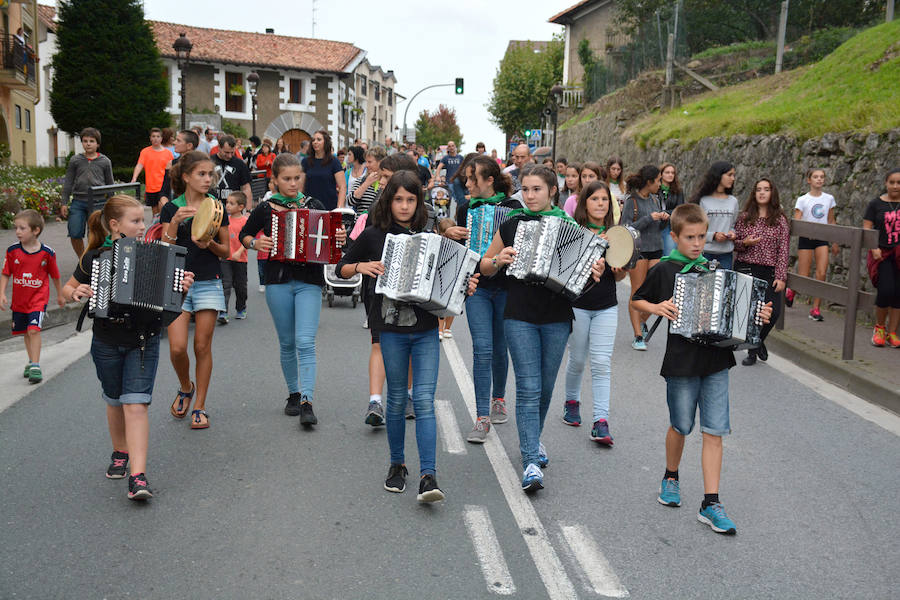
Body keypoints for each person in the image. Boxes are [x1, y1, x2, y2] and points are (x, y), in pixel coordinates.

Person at [631, 203, 772, 535]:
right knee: (681, 425)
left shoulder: (714, 268)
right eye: (690, 237)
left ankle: (711, 502)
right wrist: (656, 306)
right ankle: (671, 475)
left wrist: (758, 315)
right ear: (675, 237)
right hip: (681, 362)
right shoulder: (665, 270)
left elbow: (737, 313)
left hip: (716, 361)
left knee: (715, 430)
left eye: (701, 236)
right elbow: (637, 301)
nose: (697, 243)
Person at [336, 171, 475, 502]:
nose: (404, 205)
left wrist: (464, 286)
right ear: (389, 201)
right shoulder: (372, 235)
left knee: (424, 401)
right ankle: (397, 464)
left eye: (410, 200)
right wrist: (361, 267)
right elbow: (342, 266)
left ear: (419, 202)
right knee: (397, 399)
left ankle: (429, 475)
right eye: (398, 199)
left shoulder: (431, 236)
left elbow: (449, 280)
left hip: (426, 328)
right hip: (390, 329)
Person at [479, 164, 604, 492]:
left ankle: (533, 440)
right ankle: (531, 459)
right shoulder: (511, 225)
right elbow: (484, 266)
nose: (530, 195)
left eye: (537, 189)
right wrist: (498, 260)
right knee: (529, 386)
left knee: (547, 387)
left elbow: (582, 282)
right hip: (518, 314)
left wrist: (595, 270)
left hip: (557, 317)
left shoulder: (570, 228)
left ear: (552, 192)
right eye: (526, 189)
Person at [61, 195, 195, 501]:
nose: (142, 226)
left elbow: (168, 306)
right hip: (106, 340)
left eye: (143, 220)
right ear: (114, 224)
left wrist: (180, 285)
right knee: (114, 399)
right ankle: (120, 450)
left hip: (143, 340)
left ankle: (138, 475)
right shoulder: (95, 257)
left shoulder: (160, 255)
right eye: (135, 221)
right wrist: (75, 291)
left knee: (135, 404)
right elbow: (68, 288)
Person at [240, 153, 345, 425]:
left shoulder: (314, 205)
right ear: (274, 180)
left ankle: (308, 401)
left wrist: (339, 237)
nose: (293, 183)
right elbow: (245, 234)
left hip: (309, 281)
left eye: (297, 178)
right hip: (277, 281)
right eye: (286, 179)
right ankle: (293, 393)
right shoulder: (266, 208)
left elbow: (331, 243)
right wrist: (255, 244)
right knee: (287, 343)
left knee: (305, 342)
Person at [450, 155, 521, 443]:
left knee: (499, 346)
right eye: (466, 179)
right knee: (482, 347)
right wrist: (449, 232)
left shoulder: (513, 208)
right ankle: (481, 417)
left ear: (489, 180)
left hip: (507, 286)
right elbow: (460, 250)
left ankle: (499, 397)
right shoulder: (466, 208)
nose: (467, 184)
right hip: (477, 285)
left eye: (472, 178)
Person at [161, 151, 231, 430]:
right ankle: (185, 386)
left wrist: (208, 244)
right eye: (201, 174)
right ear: (187, 177)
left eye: (210, 174)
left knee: (202, 345)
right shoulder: (171, 208)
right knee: (178, 348)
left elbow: (225, 251)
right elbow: (164, 248)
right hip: (176, 280)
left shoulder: (216, 207)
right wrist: (176, 222)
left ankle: (199, 406)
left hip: (208, 281)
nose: (208, 178)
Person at [563, 181, 626, 441]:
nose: (600, 204)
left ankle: (601, 420)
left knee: (601, 363)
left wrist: (620, 267)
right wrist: (592, 247)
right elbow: (567, 269)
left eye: (604, 200)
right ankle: (571, 402)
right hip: (577, 305)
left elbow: (620, 276)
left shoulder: (617, 234)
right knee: (577, 359)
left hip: (606, 306)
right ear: (584, 203)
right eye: (595, 199)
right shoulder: (575, 231)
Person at [0, 210, 63, 384]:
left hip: (38, 299)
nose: (17, 232)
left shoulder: (47, 253)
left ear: (35, 230)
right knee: (26, 333)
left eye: (22, 228)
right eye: (16, 228)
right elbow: (6, 273)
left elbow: (55, 275)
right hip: (20, 301)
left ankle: (35, 364)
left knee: (33, 330)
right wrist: (1, 293)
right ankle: (31, 359)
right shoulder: (12, 251)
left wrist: (59, 295)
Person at [733, 178, 790, 365]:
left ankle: (758, 342)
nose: (762, 193)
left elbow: (784, 250)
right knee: (753, 312)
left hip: (770, 271)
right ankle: (751, 351)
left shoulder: (780, 220)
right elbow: (736, 244)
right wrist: (745, 243)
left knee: (773, 313)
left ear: (772, 193)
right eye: (759, 189)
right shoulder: (744, 217)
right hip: (747, 267)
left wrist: (781, 276)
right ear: (754, 193)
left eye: (766, 189)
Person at [620, 165, 667, 351]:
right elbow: (626, 228)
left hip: (656, 249)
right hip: (639, 250)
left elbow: (658, 228)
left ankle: (640, 321)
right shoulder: (632, 201)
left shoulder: (656, 199)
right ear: (650, 182)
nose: (661, 184)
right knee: (637, 291)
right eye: (659, 180)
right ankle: (638, 334)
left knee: (656, 291)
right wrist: (650, 218)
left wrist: (663, 219)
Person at [790, 168, 839, 321]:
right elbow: (796, 221)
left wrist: (835, 241)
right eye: (816, 177)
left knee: (821, 273)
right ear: (809, 180)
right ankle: (792, 291)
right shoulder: (803, 200)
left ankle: (815, 309)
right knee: (804, 276)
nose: (819, 179)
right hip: (806, 238)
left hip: (822, 238)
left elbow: (831, 220)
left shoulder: (829, 199)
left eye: (822, 177)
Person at [60, 127, 114, 256]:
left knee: (95, 234)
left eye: (91, 141)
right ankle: (82, 259)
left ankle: (93, 259)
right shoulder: (75, 160)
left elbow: (110, 184)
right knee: (74, 232)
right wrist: (64, 202)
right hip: (78, 201)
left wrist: (111, 204)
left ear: (98, 144)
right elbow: (68, 182)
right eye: (85, 141)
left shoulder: (105, 161)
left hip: (98, 202)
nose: (88, 143)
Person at [864, 168, 900, 348]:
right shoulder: (875, 204)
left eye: (899, 183)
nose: (895, 186)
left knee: (898, 294)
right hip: (883, 254)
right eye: (892, 182)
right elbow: (867, 228)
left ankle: (892, 332)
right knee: (886, 290)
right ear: (886, 183)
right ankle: (879, 328)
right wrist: (873, 246)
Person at [691, 161, 738, 270]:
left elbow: (733, 226)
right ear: (719, 175)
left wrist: (732, 234)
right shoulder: (702, 200)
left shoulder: (733, 201)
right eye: (729, 175)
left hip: (726, 254)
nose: (733, 178)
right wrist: (713, 236)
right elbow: (694, 229)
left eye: (734, 175)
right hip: (704, 253)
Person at [219, 191, 249, 324]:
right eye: (227, 203)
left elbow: (248, 239)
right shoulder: (224, 220)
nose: (227, 206)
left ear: (241, 207)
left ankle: (241, 308)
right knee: (225, 284)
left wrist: (239, 251)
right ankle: (223, 311)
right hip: (226, 258)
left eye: (231, 203)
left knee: (240, 286)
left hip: (240, 259)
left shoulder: (245, 221)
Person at [131, 128, 174, 217]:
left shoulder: (168, 153)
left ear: (161, 138)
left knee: (163, 208)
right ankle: (156, 228)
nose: (155, 138)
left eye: (158, 136)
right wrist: (134, 178)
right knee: (155, 213)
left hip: (164, 186)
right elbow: (139, 165)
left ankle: (164, 227)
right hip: (151, 186)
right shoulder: (145, 152)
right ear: (150, 138)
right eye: (153, 136)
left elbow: (172, 169)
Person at [301, 130, 346, 211]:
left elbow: (342, 186)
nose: (315, 142)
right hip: (309, 207)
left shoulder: (334, 162)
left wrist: (340, 208)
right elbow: (300, 187)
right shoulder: (305, 162)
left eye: (319, 139)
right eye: (313, 140)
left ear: (326, 142)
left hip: (329, 207)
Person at [159, 129, 199, 209]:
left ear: (189, 146)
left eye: (178, 141)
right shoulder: (171, 164)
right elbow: (164, 191)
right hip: (175, 208)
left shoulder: (200, 164)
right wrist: (166, 206)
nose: (174, 143)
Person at [211, 135, 253, 205]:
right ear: (219, 148)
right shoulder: (209, 162)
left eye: (232, 152)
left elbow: (246, 188)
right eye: (226, 152)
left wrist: (248, 211)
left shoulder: (240, 164)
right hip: (212, 206)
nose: (229, 156)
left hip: (234, 208)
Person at [349, 147, 387, 214]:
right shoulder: (361, 180)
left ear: (380, 162)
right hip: (361, 223)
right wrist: (366, 184)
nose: (366, 165)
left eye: (369, 162)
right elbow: (350, 201)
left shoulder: (388, 183)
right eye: (366, 162)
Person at [659, 162, 685, 255]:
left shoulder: (678, 190)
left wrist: (667, 213)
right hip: (656, 224)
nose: (670, 175)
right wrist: (660, 214)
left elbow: (680, 209)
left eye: (672, 173)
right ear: (661, 174)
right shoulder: (655, 189)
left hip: (670, 225)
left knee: (669, 252)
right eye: (667, 172)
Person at [435, 141, 466, 205]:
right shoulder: (445, 158)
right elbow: (439, 167)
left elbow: (465, 167)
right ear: (447, 148)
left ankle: (458, 213)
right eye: (449, 146)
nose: (451, 147)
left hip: (459, 181)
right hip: (450, 182)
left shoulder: (460, 157)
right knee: (454, 199)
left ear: (455, 147)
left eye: (452, 146)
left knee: (460, 199)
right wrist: (438, 176)